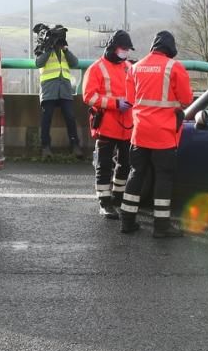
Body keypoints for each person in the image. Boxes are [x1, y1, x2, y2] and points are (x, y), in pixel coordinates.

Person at [120, 31, 194, 237]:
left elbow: (130, 99)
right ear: (170, 48)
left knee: (136, 174)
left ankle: (127, 221)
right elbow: (187, 98)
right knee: (164, 177)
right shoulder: (174, 67)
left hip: (140, 132)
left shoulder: (135, 68)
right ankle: (161, 226)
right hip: (163, 134)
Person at [82, 30, 134, 219]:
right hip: (107, 124)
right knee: (104, 165)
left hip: (126, 126)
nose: (126, 52)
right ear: (113, 48)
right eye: (123, 49)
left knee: (125, 164)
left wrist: (130, 102)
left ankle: (118, 197)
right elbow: (89, 96)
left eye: (128, 49)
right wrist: (115, 103)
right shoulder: (97, 68)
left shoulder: (128, 66)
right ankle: (104, 202)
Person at [35, 24, 83, 159]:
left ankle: (75, 145)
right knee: (46, 119)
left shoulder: (64, 51)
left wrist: (66, 49)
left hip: (65, 90)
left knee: (70, 117)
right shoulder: (43, 49)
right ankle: (45, 147)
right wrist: (48, 49)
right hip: (49, 89)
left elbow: (75, 63)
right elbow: (38, 63)